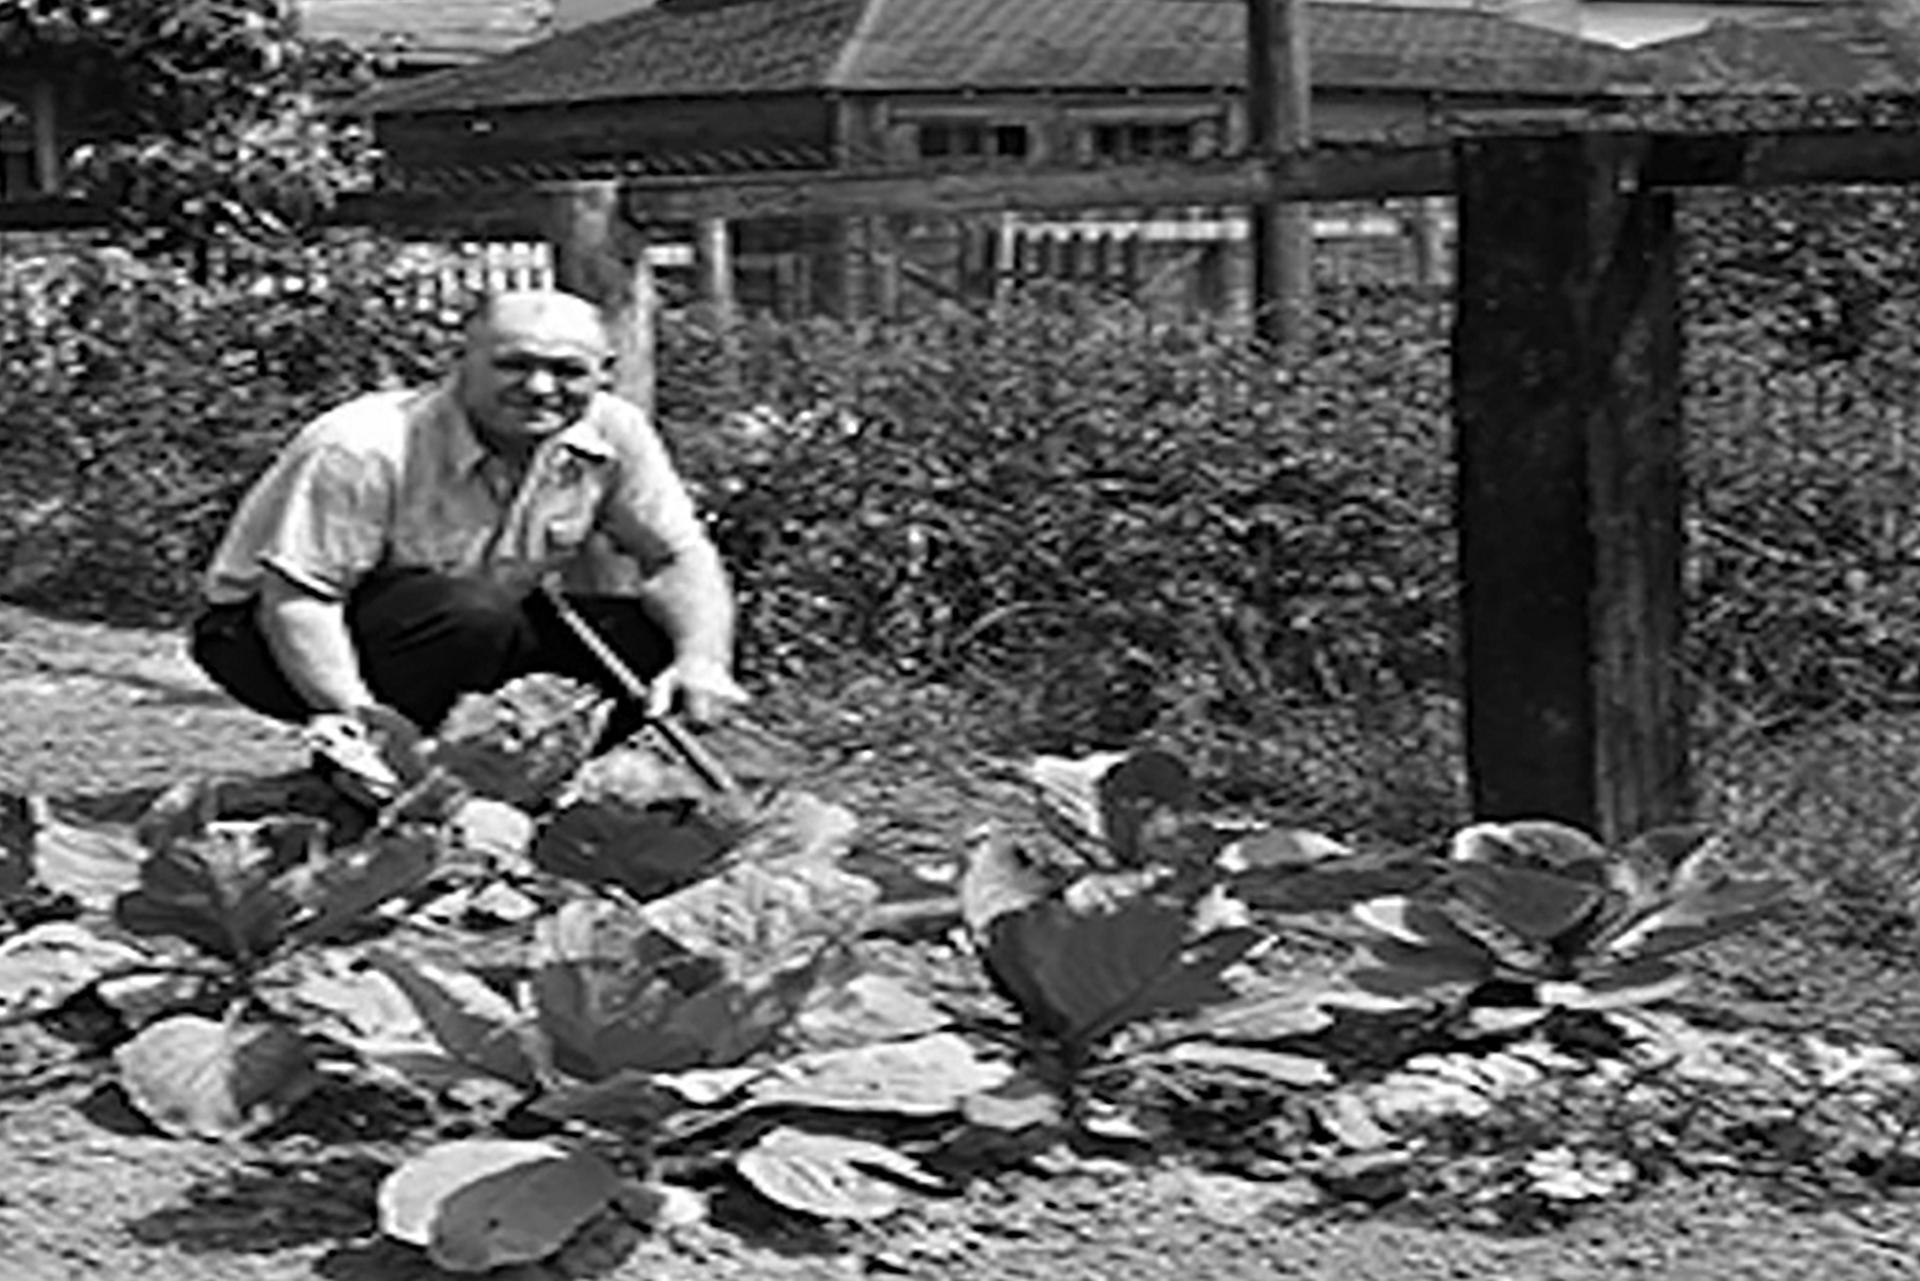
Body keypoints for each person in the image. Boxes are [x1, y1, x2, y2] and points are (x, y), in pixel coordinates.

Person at [190, 288, 746, 793]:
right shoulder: (363, 445)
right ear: (461, 363)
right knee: (468, 615)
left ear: (605, 372)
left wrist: (703, 660)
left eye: (567, 370)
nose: (539, 388)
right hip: (269, 636)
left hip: (471, 622)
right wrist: (360, 724)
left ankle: (518, 783)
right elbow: (301, 600)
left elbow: (677, 555)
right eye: (514, 364)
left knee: (652, 636)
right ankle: (378, 773)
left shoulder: (614, 430)